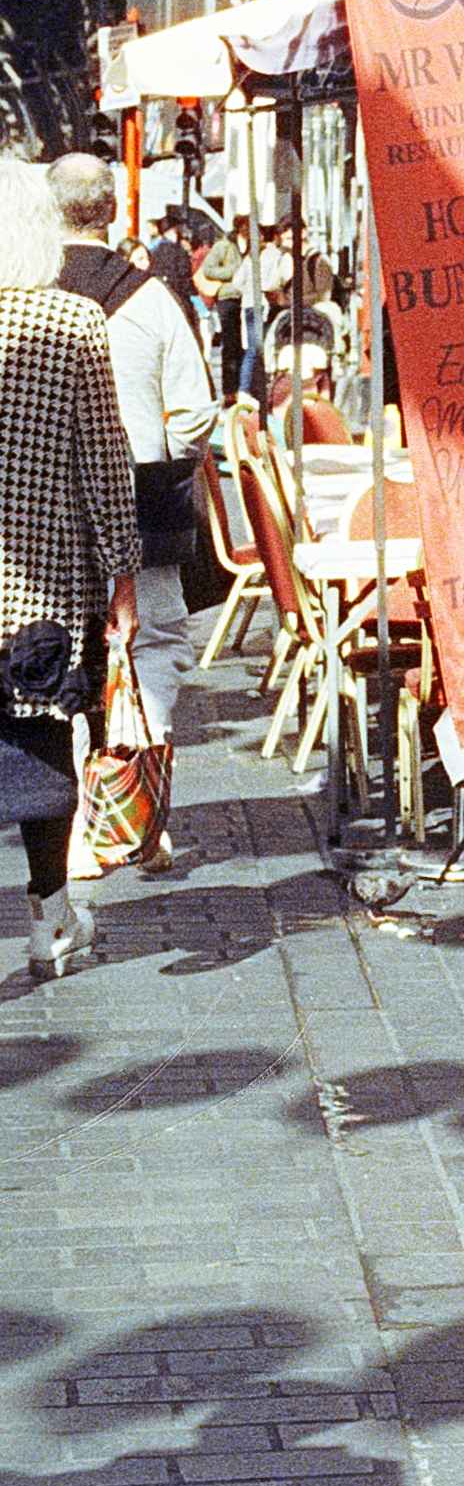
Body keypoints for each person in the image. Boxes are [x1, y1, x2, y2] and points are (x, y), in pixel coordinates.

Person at [0, 159, 140, 980]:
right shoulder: (73, 322)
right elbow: (104, 461)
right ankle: (49, 915)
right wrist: (122, 571)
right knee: (45, 727)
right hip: (42, 579)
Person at [48, 154, 216, 765]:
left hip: (50, 506)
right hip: (143, 497)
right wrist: (163, 454)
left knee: (54, 648)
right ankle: (140, 784)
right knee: (153, 642)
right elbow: (195, 410)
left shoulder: (30, 297)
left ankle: (74, 789)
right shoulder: (151, 299)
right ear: (114, 210)